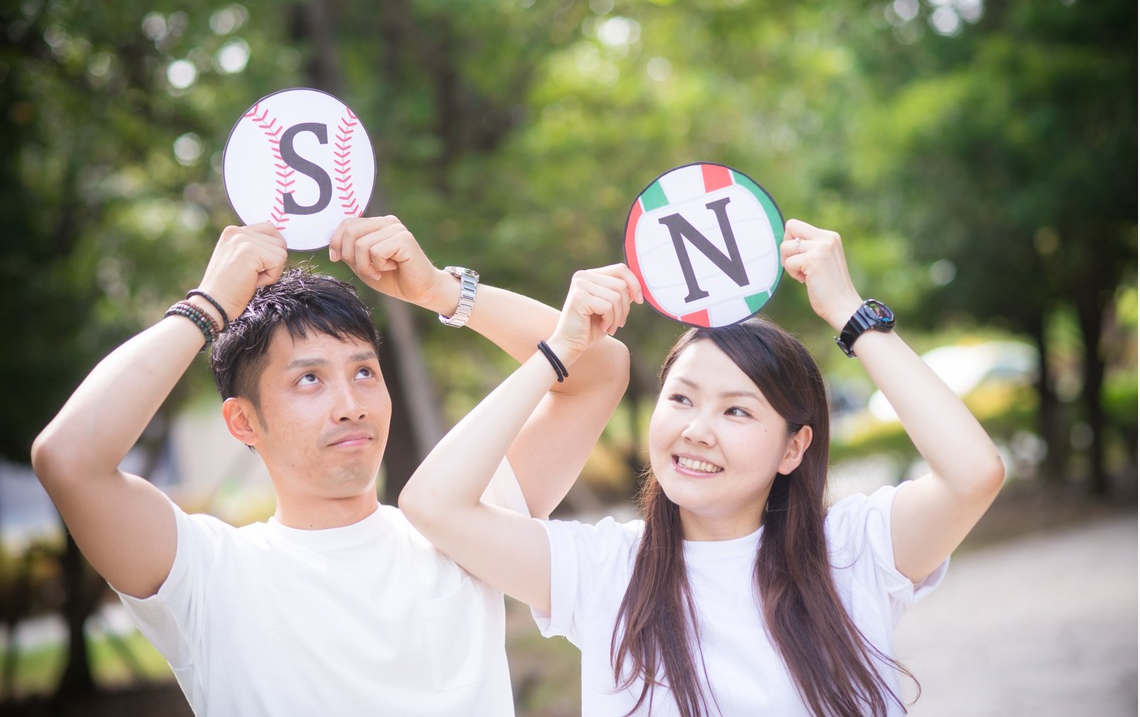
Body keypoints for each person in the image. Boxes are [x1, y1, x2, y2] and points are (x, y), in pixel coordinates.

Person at [400, 218, 1006, 716]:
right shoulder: (605, 571)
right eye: (682, 398)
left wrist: (851, 313)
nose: (697, 430)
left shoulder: (853, 550)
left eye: (737, 412)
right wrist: (560, 349)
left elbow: (973, 473)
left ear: (794, 448)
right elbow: (434, 504)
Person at [31, 216, 631, 716]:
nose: (350, 406)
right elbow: (69, 459)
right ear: (243, 422)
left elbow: (598, 370)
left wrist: (438, 292)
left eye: (364, 371)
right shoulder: (208, 573)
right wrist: (207, 305)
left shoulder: (458, 529)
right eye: (309, 379)